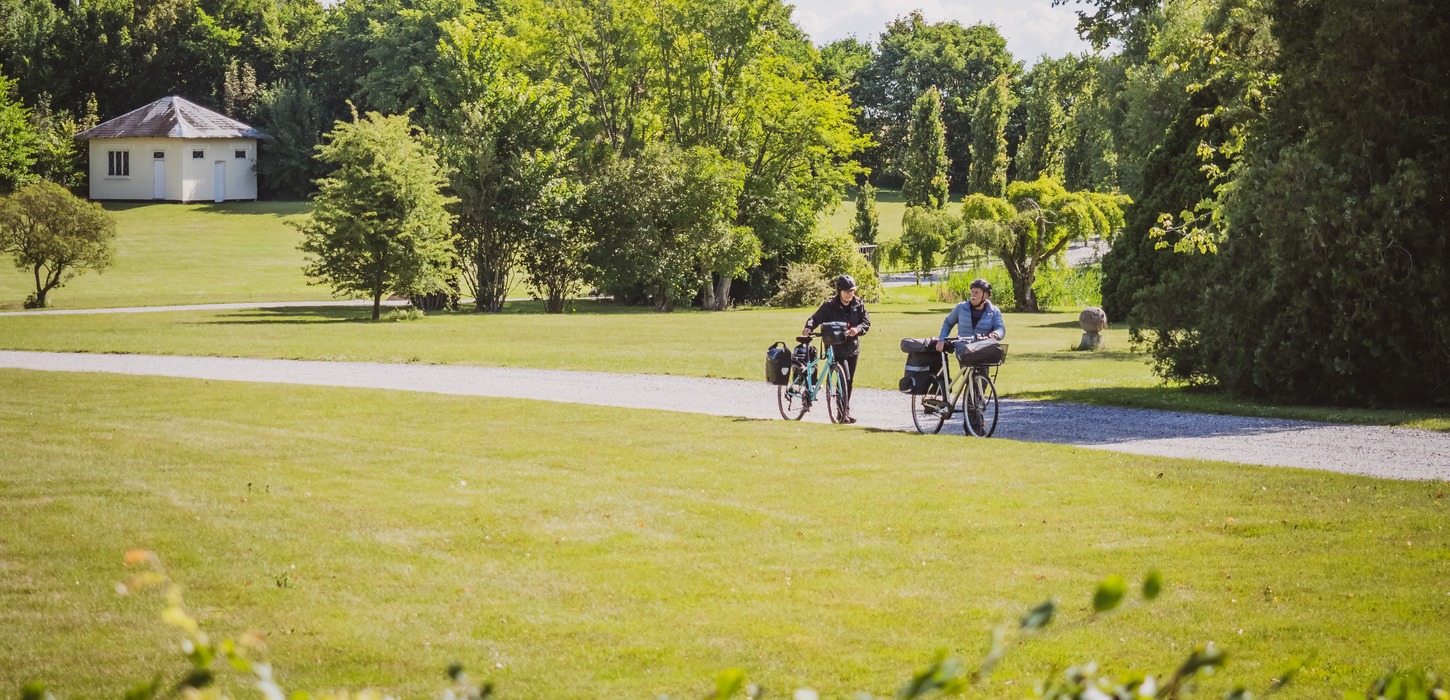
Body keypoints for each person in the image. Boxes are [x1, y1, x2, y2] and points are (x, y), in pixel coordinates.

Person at [803, 274, 871, 423]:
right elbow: (815, 318)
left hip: (852, 348)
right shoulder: (829, 306)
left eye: (852, 291)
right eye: (847, 291)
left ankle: (843, 412)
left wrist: (857, 329)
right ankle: (842, 413)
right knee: (844, 378)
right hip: (835, 348)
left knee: (850, 381)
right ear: (839, 291)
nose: (850, 294)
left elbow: (866, 322)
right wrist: (808, 327)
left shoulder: (858, 304)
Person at [937, 278, 1005, 353]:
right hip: (963, 350)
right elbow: (948, 322)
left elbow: (1000, 328)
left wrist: (996, 334)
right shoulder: (961, 308)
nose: (973, 295)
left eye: (976, 292)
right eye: (972, 292)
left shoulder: (994, 311)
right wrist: (942, 339)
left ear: (985, 295)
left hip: (983, 351)